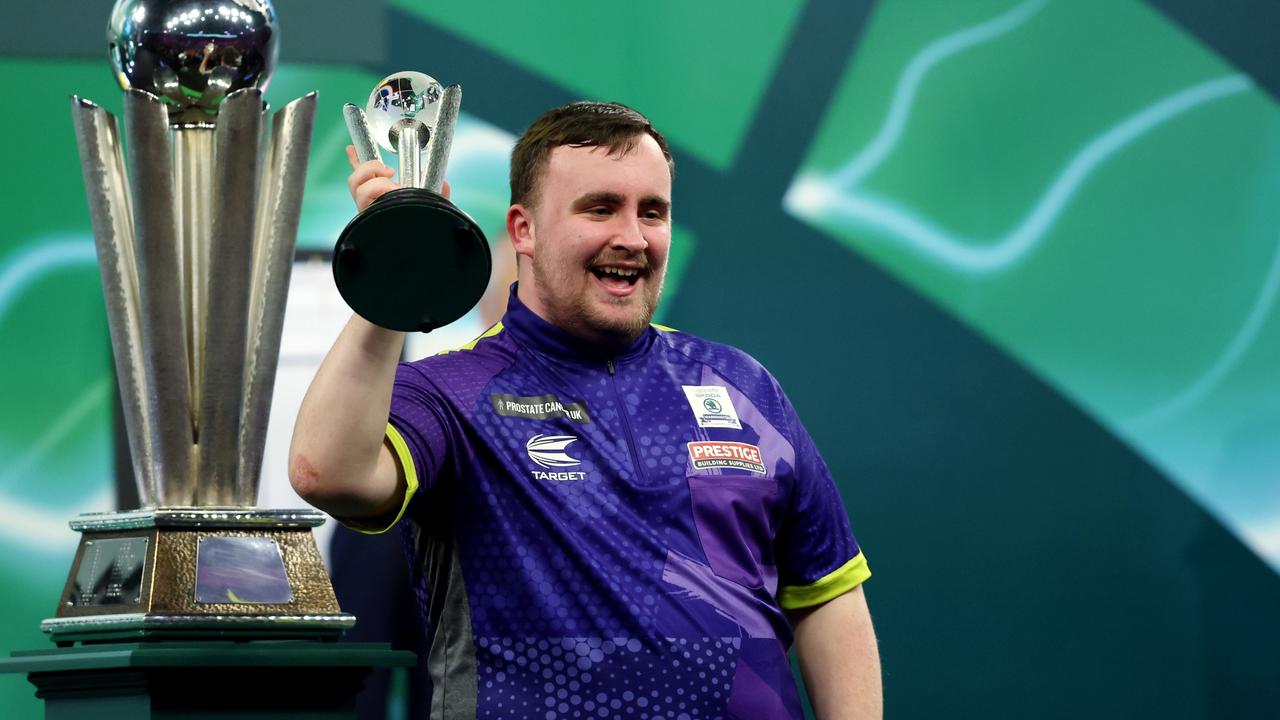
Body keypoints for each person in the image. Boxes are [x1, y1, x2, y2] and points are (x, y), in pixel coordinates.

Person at [290, 101, 881, 719]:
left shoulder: (742, 385)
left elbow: (826, 596)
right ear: (524, 230)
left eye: (652, 211)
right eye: (600, 208)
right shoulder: (451, 392)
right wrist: (395, 265)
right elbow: (326, 472)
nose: (631, 237)